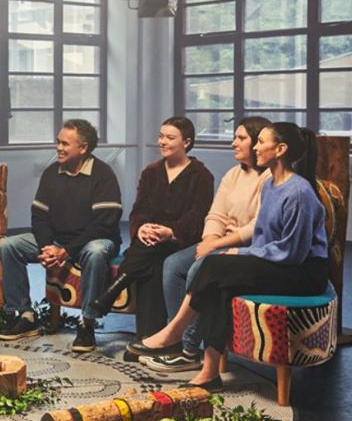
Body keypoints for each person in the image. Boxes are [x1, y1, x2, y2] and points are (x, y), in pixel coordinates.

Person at [127, 122, 328, 392]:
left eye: (261, 142)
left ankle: (174, 332)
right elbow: (263, 233)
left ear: (280, 149)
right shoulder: (271, 185)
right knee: (220, 281)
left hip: (303, 272)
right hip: (279, 262)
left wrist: (243, 252)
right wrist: (239, 252)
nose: (255, 147)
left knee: (216, 266)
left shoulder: (299, 192)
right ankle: (209, 373)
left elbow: (292, 252)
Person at [145, 116, 272, 372]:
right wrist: (210, 239)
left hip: (246, 247)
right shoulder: (234, 174)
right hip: (219, 240)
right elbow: (215, 214)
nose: (233, 143)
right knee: (173, 264)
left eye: (241, 138)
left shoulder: (269, 178)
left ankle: (190, 348)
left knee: (197, 269)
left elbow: (256, 227)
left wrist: (217, 245)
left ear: (257, 142)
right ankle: (176, 337)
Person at [0, 119, 122, 353]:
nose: (58, 148)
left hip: (93, 240)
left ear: (83, 148)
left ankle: (87, 322)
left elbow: (103, 224)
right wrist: (46, 247)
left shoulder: (103, 174)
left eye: (65, 143)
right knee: (9, 245)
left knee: (95, 252)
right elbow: (39, 217)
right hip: (57, 241)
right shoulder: (52, 172)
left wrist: (67, 251)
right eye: (58, 142)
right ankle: (26, 315)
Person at [90, 116, 214, 344]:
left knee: (149, 256)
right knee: (152, 268)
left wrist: (170, 231)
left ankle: (115, 290)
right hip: (151, 243)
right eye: (160, 136)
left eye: (169, 137)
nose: (162, 142)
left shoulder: (201, 175)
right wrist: (142, 228)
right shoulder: (151, 172)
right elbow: (139, 209)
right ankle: (148, 338)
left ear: (186, 142)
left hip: (181, 241)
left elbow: (198, 217)